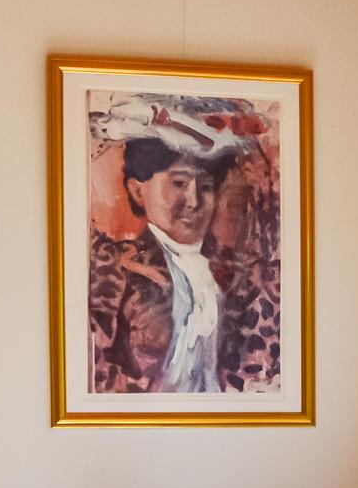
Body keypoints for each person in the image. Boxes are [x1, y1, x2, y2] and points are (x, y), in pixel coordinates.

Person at [87, 97, 277, 394]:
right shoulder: (119, 272)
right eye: (179, 183)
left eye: (206, 187)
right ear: (137, 191)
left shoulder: (235, 274)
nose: (194, 201)